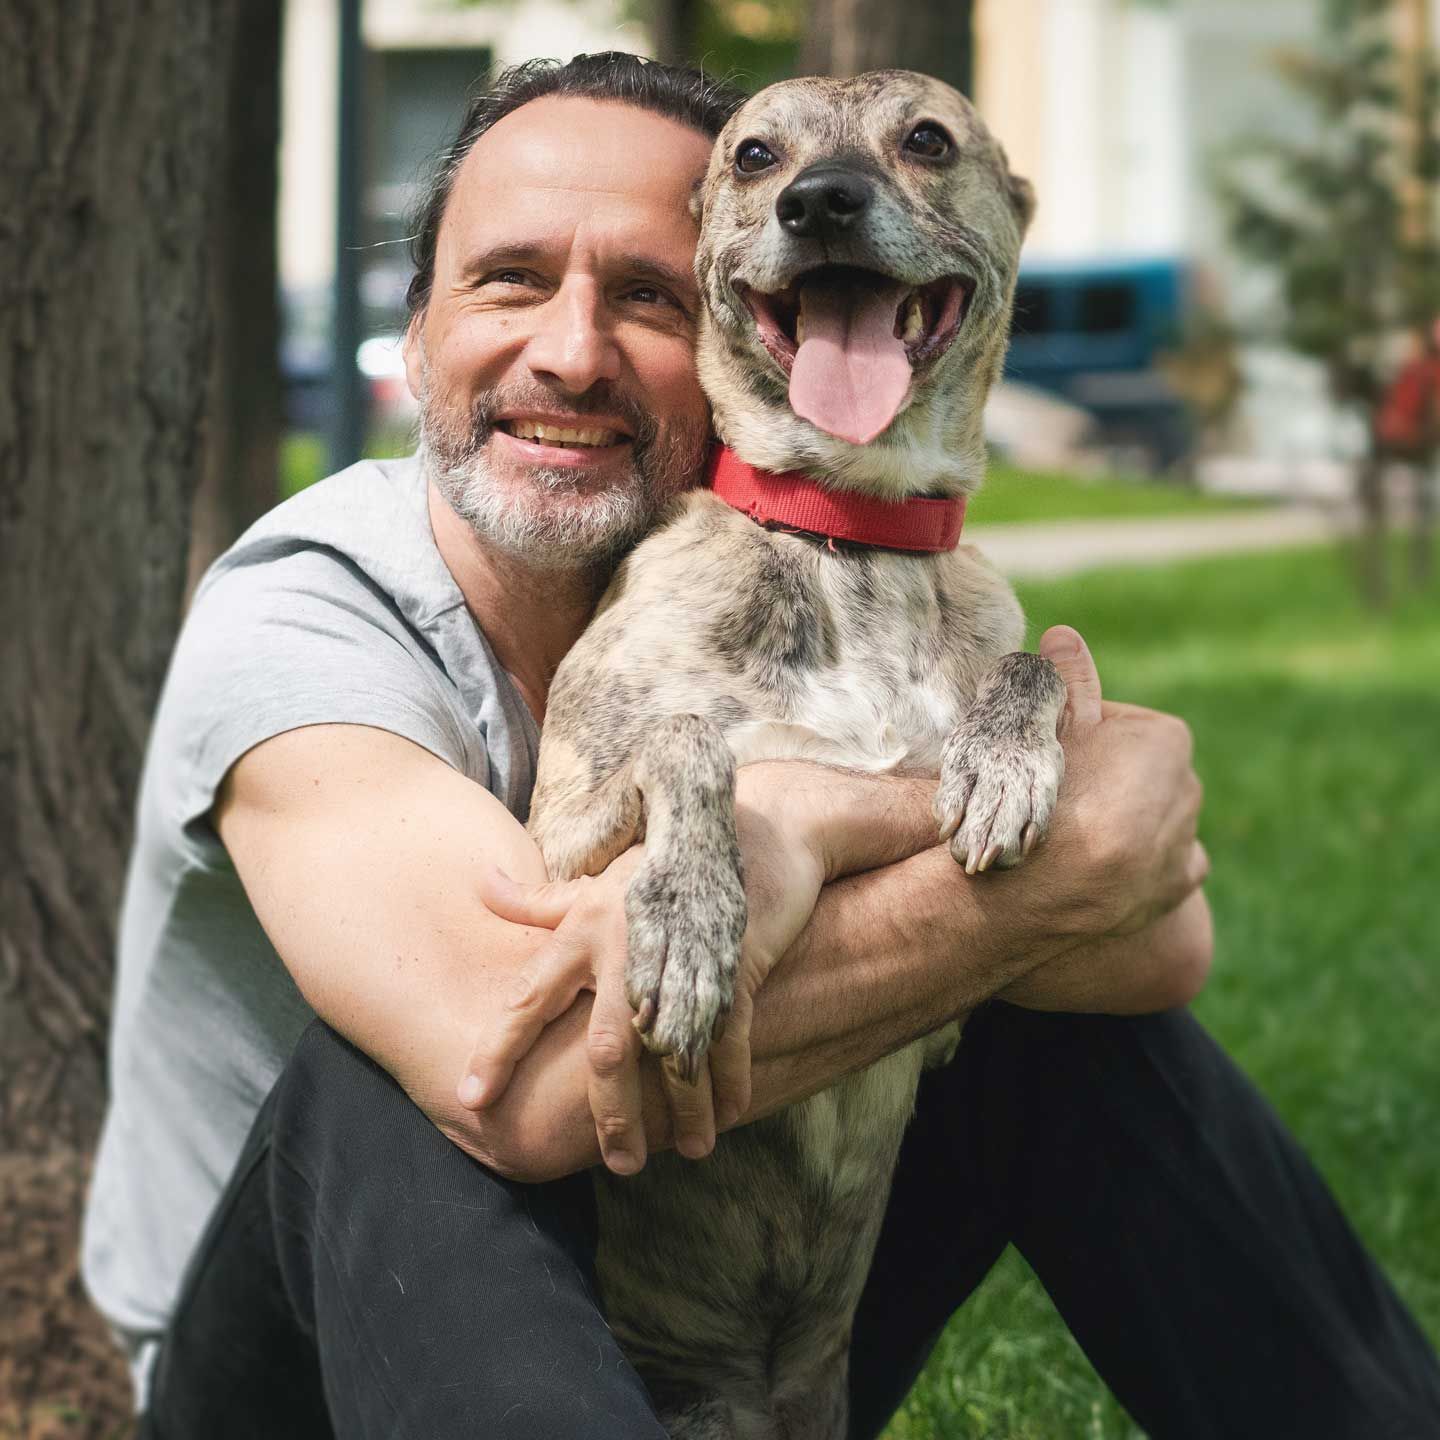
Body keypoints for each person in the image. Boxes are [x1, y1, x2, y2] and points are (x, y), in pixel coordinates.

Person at [81, 52, 1440, 1440]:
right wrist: (838, 827)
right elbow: (517, 1080)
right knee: (385, 1077)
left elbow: (1158, 956)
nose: (570, 350)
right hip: (319, 1362)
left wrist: (1028, 806)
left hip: (751, 1347)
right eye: (507, 281)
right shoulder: (301, 608)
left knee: (1061, 1013)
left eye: (644, 296)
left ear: (718, 319)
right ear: (418, 329)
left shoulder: (796, 577)